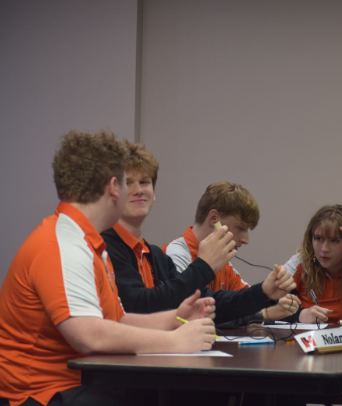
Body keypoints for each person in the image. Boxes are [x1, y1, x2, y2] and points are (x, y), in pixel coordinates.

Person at [0, 131, 216, 406]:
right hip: (42, 394)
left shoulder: (85, 241)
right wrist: (176, 342)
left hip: (75, 384)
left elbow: (115, 322)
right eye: (127, 183)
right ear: (115, 187)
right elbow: (89, 335)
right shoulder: (63, 244)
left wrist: (176, 317)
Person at [101, 143, 297, 325]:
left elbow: (206, 303)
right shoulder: (104, 247)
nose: (138, 190)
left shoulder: (156, 257)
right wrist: (204, 266)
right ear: (114, 191)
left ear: (154, 193)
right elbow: (139, 307)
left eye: (145, 182)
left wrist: (263, 292)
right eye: (128, 183)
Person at [163, 182, 301, 325]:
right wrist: (262, 314)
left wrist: (270, 300)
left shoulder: (223, 262)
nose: (246, 240)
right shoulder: (173, 256)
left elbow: (243, 302)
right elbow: (187, 316)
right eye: (240, 228)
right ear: (214, 219)